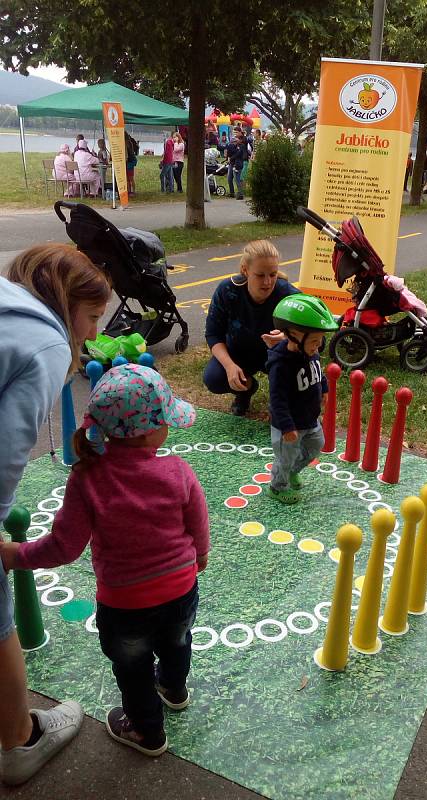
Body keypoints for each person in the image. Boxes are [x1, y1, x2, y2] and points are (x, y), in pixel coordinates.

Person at [0, 362, 210, 758]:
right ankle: (174, 688)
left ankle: (148, 734)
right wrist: (199, 556)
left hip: (124, 605)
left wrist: (16, 554)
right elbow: (198, 523)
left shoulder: (88, 477)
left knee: (132, 671)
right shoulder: (178, 471)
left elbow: (64, 547)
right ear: (151, 430)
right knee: (178, 641)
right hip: (182, 588)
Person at [0, 244, 111, 786]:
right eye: (91, 317)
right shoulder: (44, 342)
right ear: (67, 301)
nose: (91, 334)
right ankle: (21, 741)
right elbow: (3, 456)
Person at [203, 240, 299, 416]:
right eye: (260, 275)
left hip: (278, 356)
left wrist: (288, 339)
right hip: (239, 353)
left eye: (273, 274)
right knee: (214, 378)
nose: (268, 282)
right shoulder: (227, 291)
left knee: (297, 377)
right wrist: (230, 366)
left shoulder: (288, 295)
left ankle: (285, 400)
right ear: (245, 270)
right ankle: (245, 390)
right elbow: (213, 334)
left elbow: (317, 338)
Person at [266, 295, 338, 505]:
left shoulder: (310, 350)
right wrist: (287, 428)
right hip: (287, 426)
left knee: (316, 445)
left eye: (320, 340)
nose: (319, 345)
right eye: (315, 340)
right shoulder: (281, 365)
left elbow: (318, 371)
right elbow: (277, 399)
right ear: (296, 335)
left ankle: (290, 473)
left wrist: (323, 387)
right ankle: (277, 487)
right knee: (285, 458)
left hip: (309, 419)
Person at [225, 131, 245, 199]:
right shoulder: (234, 145)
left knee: (237, 179)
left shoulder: (242, 146)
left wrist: (231, 158)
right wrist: (228, 158)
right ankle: (232, 192)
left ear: (241, 140)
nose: (236, 140)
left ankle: (240, 194)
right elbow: (230, 151)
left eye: (237, 139)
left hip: (237, 164)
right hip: (232, 164)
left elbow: (238, 154)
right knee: (229, 179)